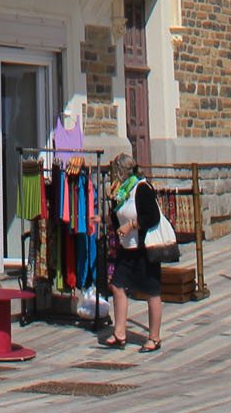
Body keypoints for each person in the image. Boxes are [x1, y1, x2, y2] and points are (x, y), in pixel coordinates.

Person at [100, 150, 165, 354]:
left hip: (144, 249)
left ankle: (154, 337)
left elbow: (152, 217)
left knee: (152, 291)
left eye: (117, 171)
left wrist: (132, 226)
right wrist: (103, 221)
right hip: (127, 248)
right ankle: (120, 333)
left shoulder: (142, 188)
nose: (115, 175)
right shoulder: (123, 192)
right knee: (117, 286)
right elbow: (118, 215)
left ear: (124, 171)